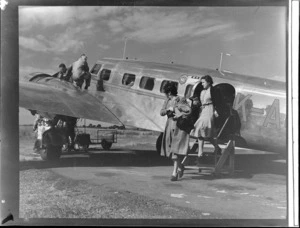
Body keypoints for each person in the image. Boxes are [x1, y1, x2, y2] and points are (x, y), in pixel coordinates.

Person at [160, 83, 191, 181]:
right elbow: (161, 112)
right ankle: (180, 166)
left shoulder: (180, 99)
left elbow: (188, 110)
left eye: (166, 93)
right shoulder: (167, 100)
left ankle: (174, 173)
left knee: (175, 150)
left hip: (178, 127)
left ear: (169, 93)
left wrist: (174, 109)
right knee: (170, 149)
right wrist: (166, 110)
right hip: (169, 125)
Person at [190, 75, 223, 166]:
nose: (202, 84)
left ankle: (200, 153)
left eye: (203, 82)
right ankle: (203, 152)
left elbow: (219, 102)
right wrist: (196, 102)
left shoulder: (214, 90)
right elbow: (200, 102)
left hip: (210, 110)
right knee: (204, 133)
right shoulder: (202, 91)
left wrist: (217, 111)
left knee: (202, 127)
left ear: (208, 82)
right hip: (203, 110)